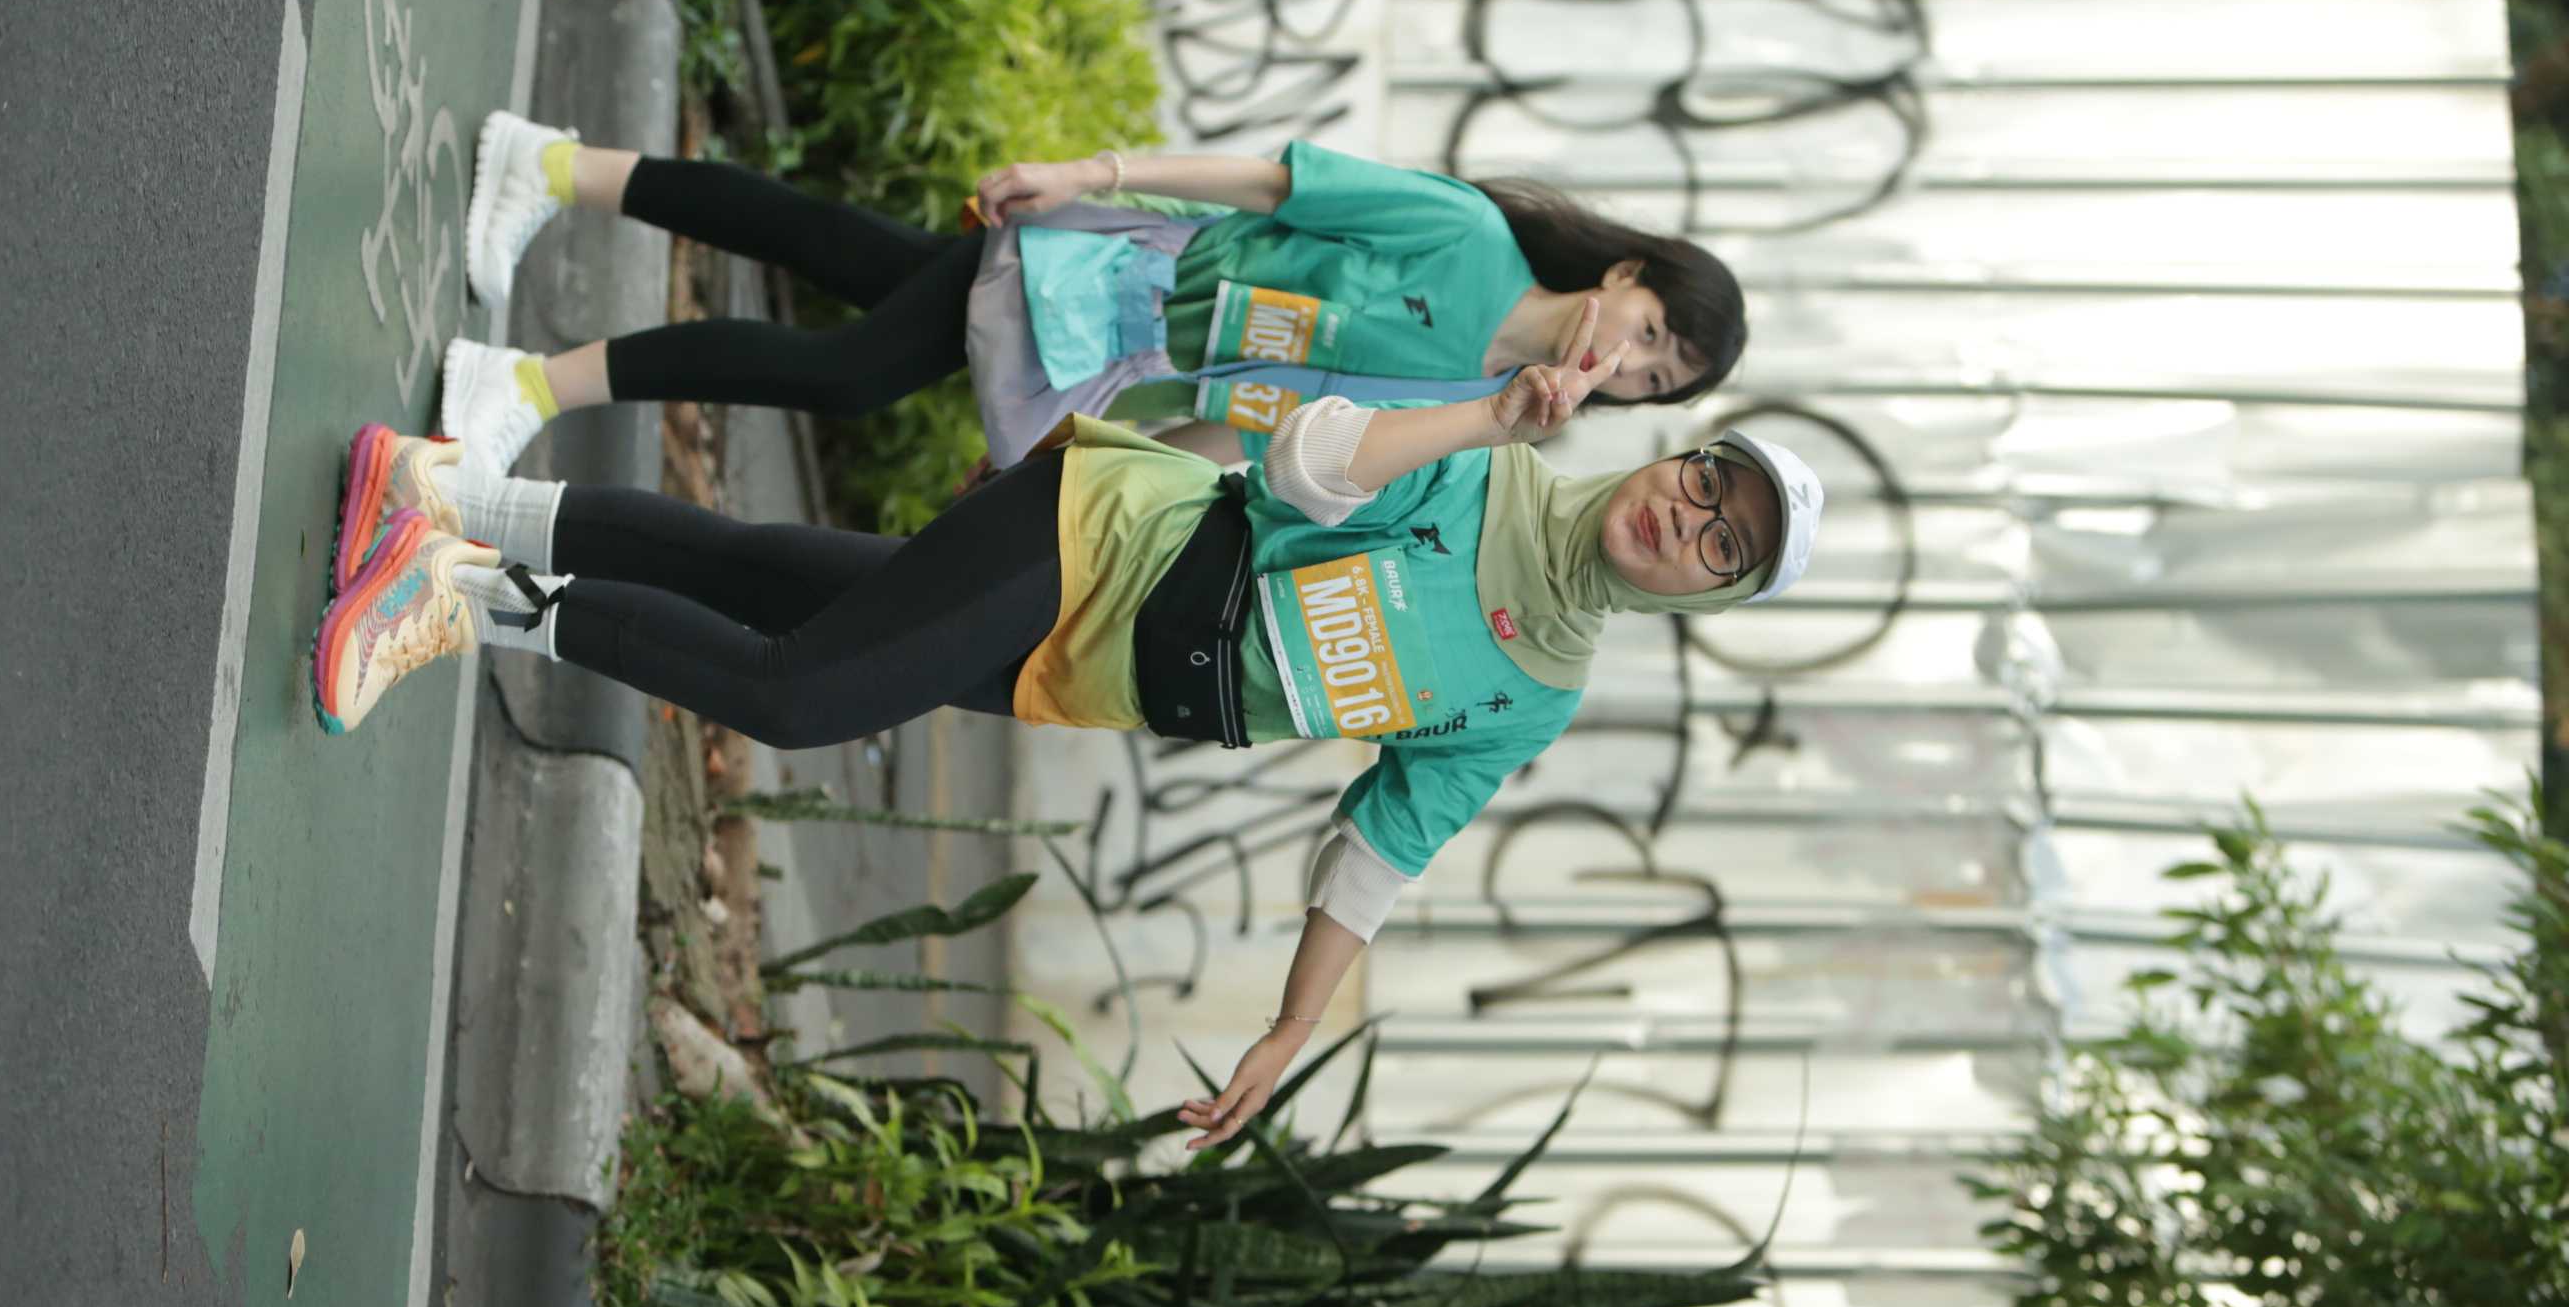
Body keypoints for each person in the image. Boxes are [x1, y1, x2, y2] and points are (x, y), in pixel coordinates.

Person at [309, 315, 1821, 1153]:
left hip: (1091, 667)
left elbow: (1384, 842)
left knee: (783, 583)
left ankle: (448, 497)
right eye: (1706, 482)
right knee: (799, 694)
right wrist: (1487, 420)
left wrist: (1291, 1029)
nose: (1687, 519)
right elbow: (1305, 463)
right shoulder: (1493, 470)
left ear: (1713, 596)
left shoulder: (1538, 690)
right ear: (1675, 456)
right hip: (1107, 539)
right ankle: (452, 590)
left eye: (1724, 545)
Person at [441, 112, 1750, 479]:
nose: (1630, 363)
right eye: (1650, 332)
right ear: (1623, 272)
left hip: (1108, 358)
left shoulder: (1474, 401)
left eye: (1655, 379)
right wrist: (1088, 172)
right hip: (1102, 269)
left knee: (846, 252)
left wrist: (1081, 463)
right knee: (850, 370)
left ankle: (553, 166)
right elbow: (1274, 183)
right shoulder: (1466, 235)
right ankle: (529, 383)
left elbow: (1250, 423)